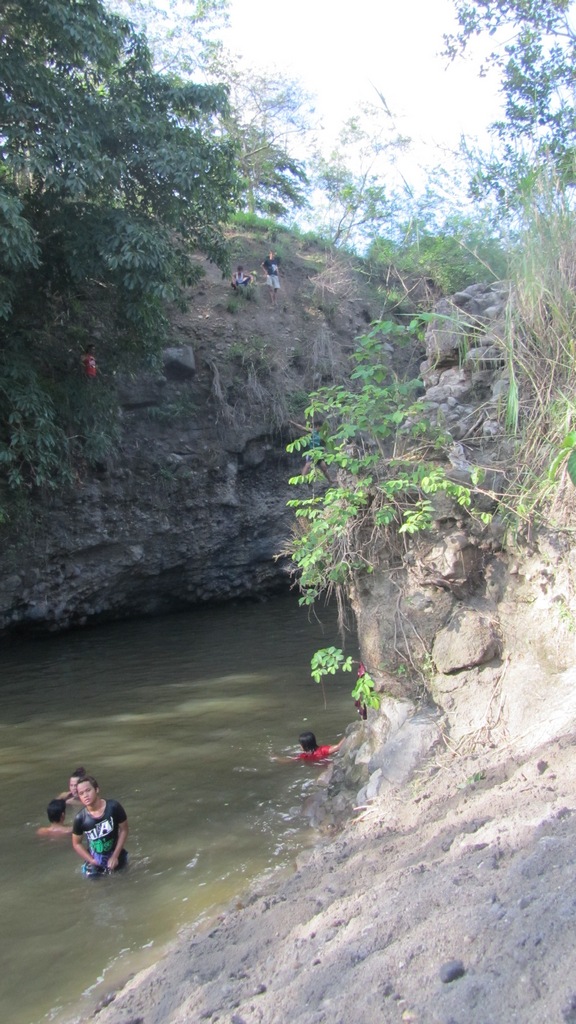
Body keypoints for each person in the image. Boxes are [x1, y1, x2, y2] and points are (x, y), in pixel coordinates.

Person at [72, 775, 128, 876]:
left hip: (116, 853)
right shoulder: (80, 818)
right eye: (81, 793)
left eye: (88, 790)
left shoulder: (113, 807)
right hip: (95, 859)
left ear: (97, 789)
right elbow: (76, 843)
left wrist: (115, 856)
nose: (85, 795)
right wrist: (91, 860)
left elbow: (124, 830)